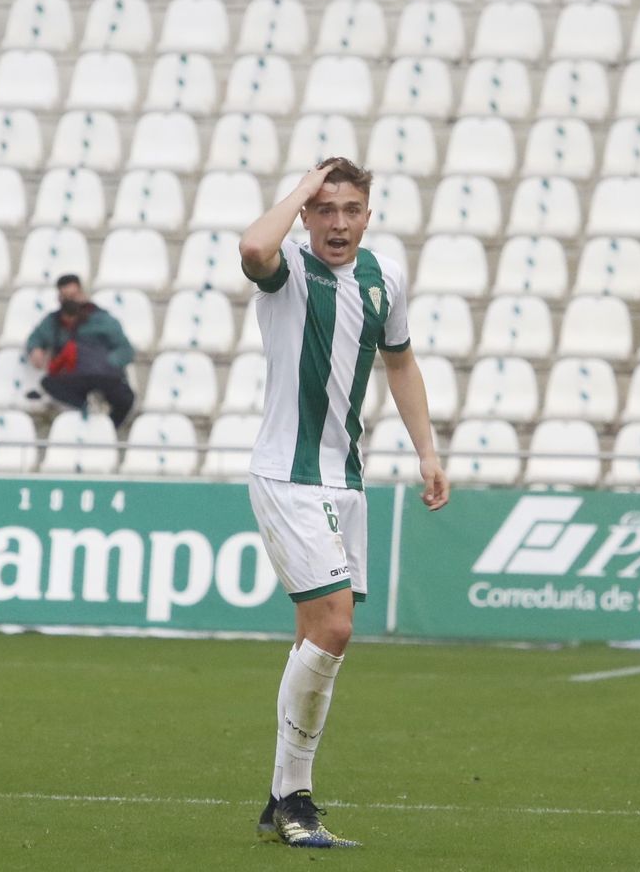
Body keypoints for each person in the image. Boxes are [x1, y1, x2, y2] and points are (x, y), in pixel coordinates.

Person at [238, 157, 449, 848]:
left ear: (367, 215)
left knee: (314, 636)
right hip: (286, 476)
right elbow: (253, 248)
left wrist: (427, 452)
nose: (337, 223)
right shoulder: (289, 271)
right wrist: (302, 184)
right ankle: (295, 796)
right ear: (306, 214)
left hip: (345, 480)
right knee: (335, 628)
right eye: (324, 209)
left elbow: (401, 362)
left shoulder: (385, 278)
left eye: (350, 209)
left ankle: (279, 800)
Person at [25, 275, 136, 429]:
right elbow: (36, 338)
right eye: (65, 297)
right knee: (49, 383)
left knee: (125, 398)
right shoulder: (54, 321)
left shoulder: (102, 319)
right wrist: (35, 349)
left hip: (102, 375)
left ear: (82, 294)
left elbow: (125, 350)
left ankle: (108, 430)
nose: (70, 301)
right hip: (73, 376)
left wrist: (106, 363)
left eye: (74, 296)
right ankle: (88, 407)